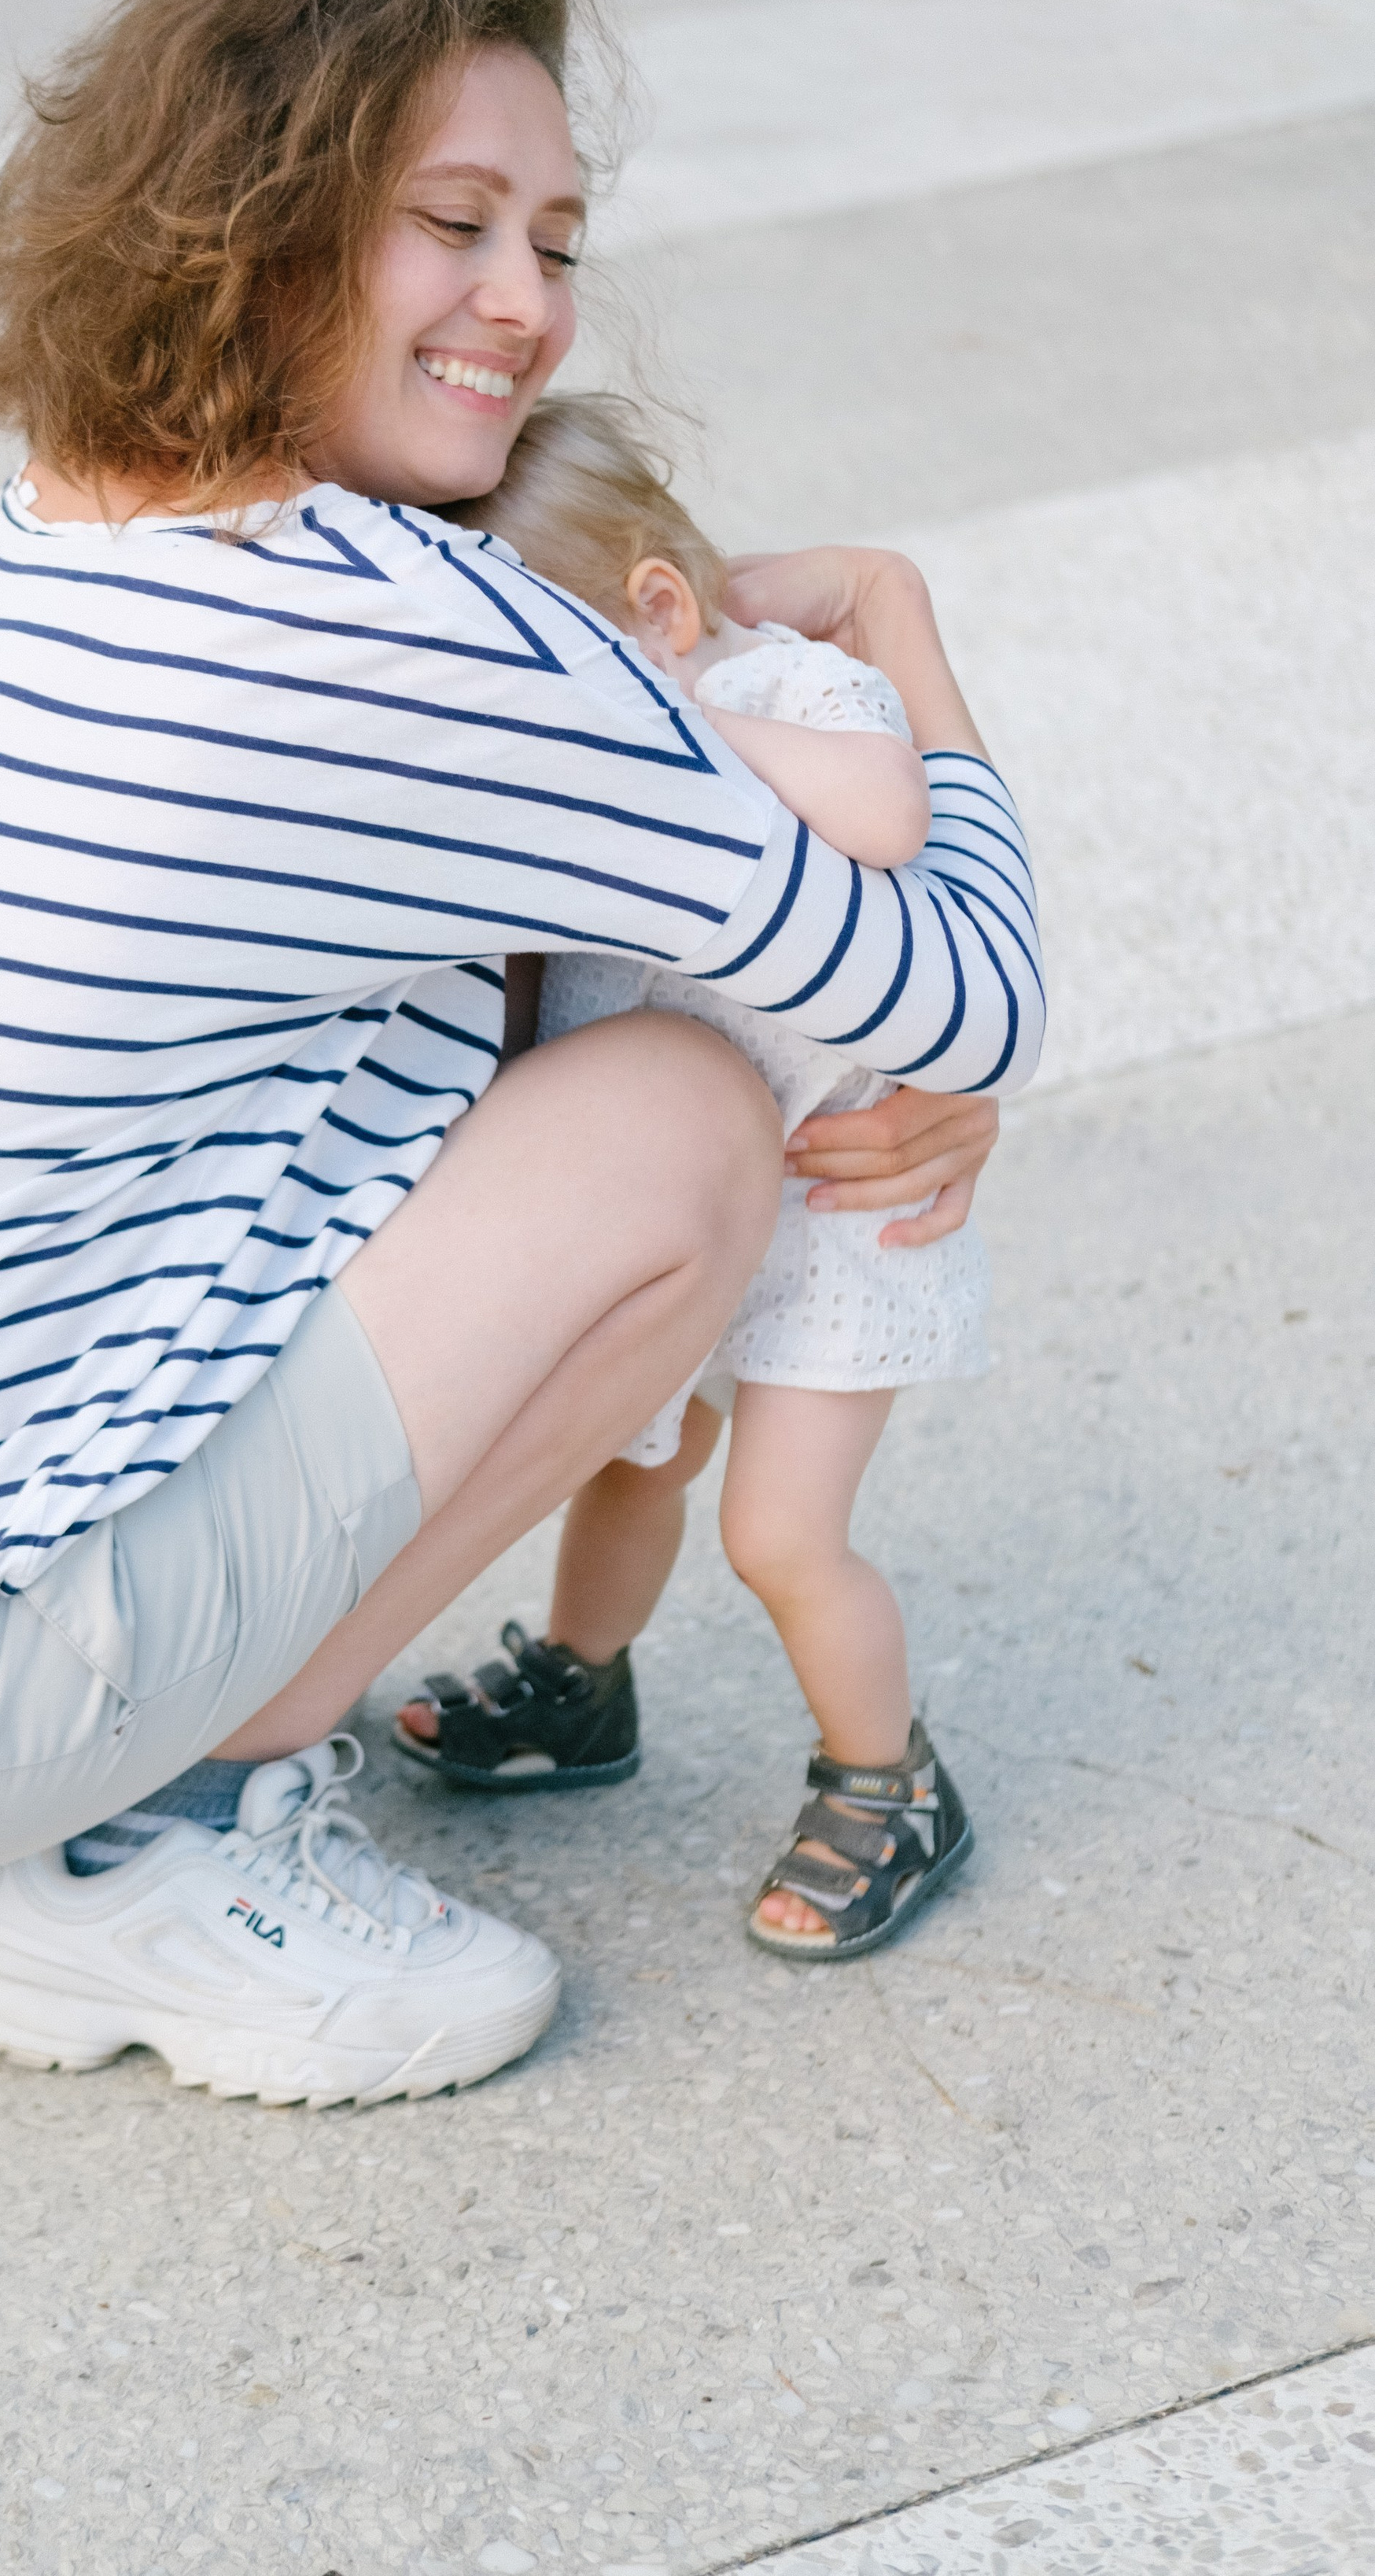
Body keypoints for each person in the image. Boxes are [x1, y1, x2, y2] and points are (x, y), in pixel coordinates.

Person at [0, 0, 1038, 2110]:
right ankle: (162, 1848)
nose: (524, 308)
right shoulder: (415, 640)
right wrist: (898, 634)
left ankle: (126, 1783)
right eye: (451, 224)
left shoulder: (76, 526)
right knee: (684, 1125)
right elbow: (973, 992)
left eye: (556, 236)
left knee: (583, 1050)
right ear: (256, 215)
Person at [394, 397, 1026, 1960]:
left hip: (831, 1211)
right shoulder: (572, 774)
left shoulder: (775, 690)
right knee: (625, 1462)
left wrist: (671, 718)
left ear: (657, 619)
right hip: (677, 1204)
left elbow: (888, 815)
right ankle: (579, 1678)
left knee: (779, 1537)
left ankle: (887, 1780)